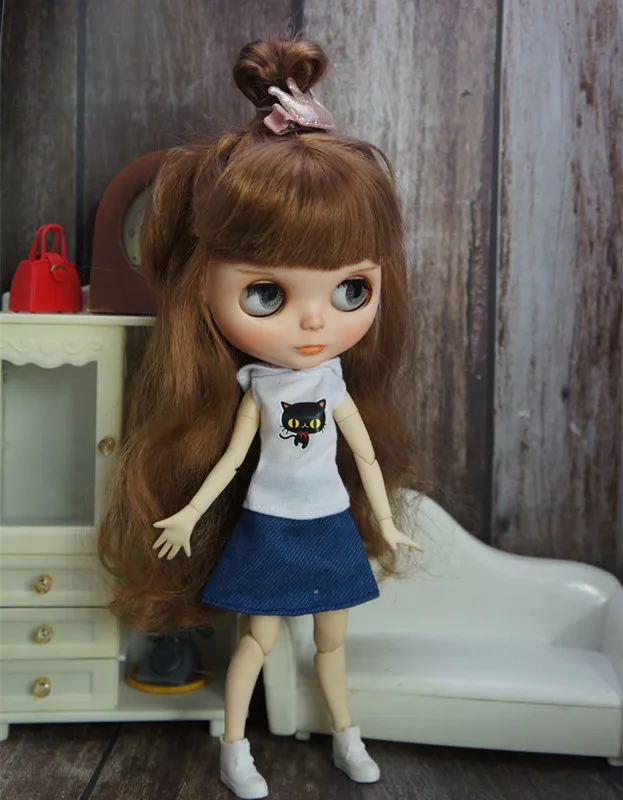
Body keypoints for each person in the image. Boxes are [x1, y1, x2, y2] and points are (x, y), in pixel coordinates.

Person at [99, 36, 423, 800]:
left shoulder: (332, 380)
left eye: (350, 291)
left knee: (332, 642)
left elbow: (363, 455)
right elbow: (230, 460)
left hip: (328, 522)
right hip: (271, 525)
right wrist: (189, 515)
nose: (314, 322)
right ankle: (235, 747)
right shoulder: (260, 388)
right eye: (266, 294)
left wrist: (385, 519)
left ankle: (346, 734)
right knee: (257, 641)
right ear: (201, 286)